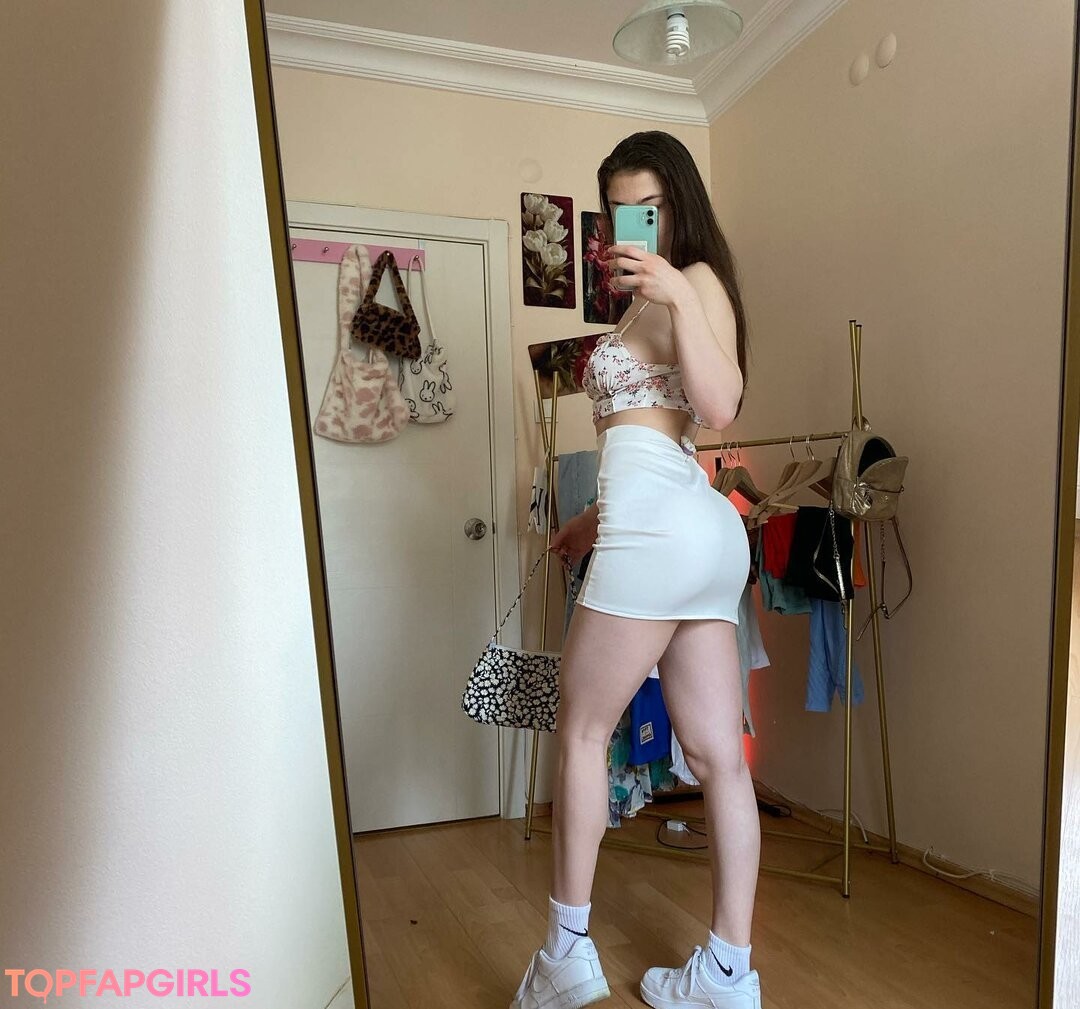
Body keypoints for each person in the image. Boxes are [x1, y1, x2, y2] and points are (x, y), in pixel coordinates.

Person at [510, 131, 761, 1009]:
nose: (633, 225)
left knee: (581, 731)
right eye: (620, 210)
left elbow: (720, 405)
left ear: (679, 203)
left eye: (649, 206)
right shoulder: (648, 303)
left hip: (661, 534)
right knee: (719, 758)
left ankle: (565, 956)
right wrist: (587, 523)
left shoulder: (696, 283)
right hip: (687, 532)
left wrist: (676, 292)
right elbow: (657, 433)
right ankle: (728, 971)